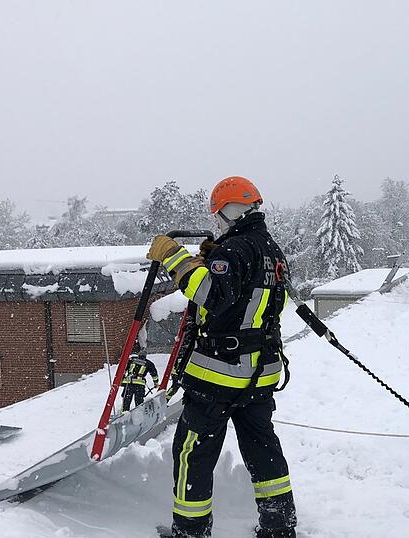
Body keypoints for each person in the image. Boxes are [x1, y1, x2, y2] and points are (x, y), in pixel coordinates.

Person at [147, 176, 296, 538]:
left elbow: (208, 295)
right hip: (261, 374)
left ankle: (190, 530)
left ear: (230, 211)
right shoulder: (272, 251)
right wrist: (214, 257)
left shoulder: (234, 251)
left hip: (219, 374)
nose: (216, 224)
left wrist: (174, 257)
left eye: (218, 217)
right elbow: (275, 303)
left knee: (192, 453)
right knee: (262, 448)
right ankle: (279, 526)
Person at [120, 343, 159, 412]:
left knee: (126, 401)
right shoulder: (149, 363)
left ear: (138, 354)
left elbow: (123, 369)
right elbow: (154, 374)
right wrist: (156, 383)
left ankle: (123, 415)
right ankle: (139, 416)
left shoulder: (131, 360)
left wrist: (122, 379)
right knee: (139, 403)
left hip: (128, 383)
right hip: (139, 385)